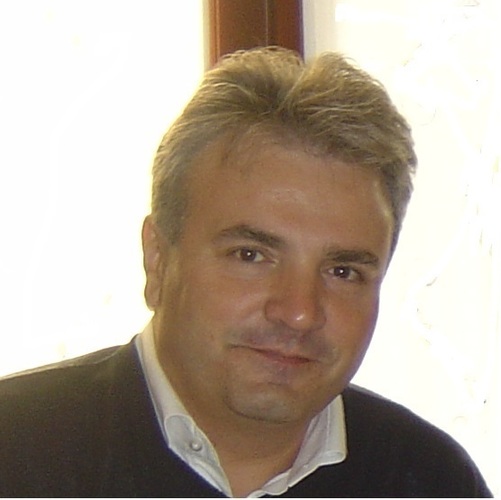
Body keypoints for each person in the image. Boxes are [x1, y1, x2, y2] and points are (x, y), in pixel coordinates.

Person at [0, 46, 492, 498]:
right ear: (158, 260)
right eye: (251, 256)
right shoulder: (16, 449)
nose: (299, 312)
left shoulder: (431, 480)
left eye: (342, 271)